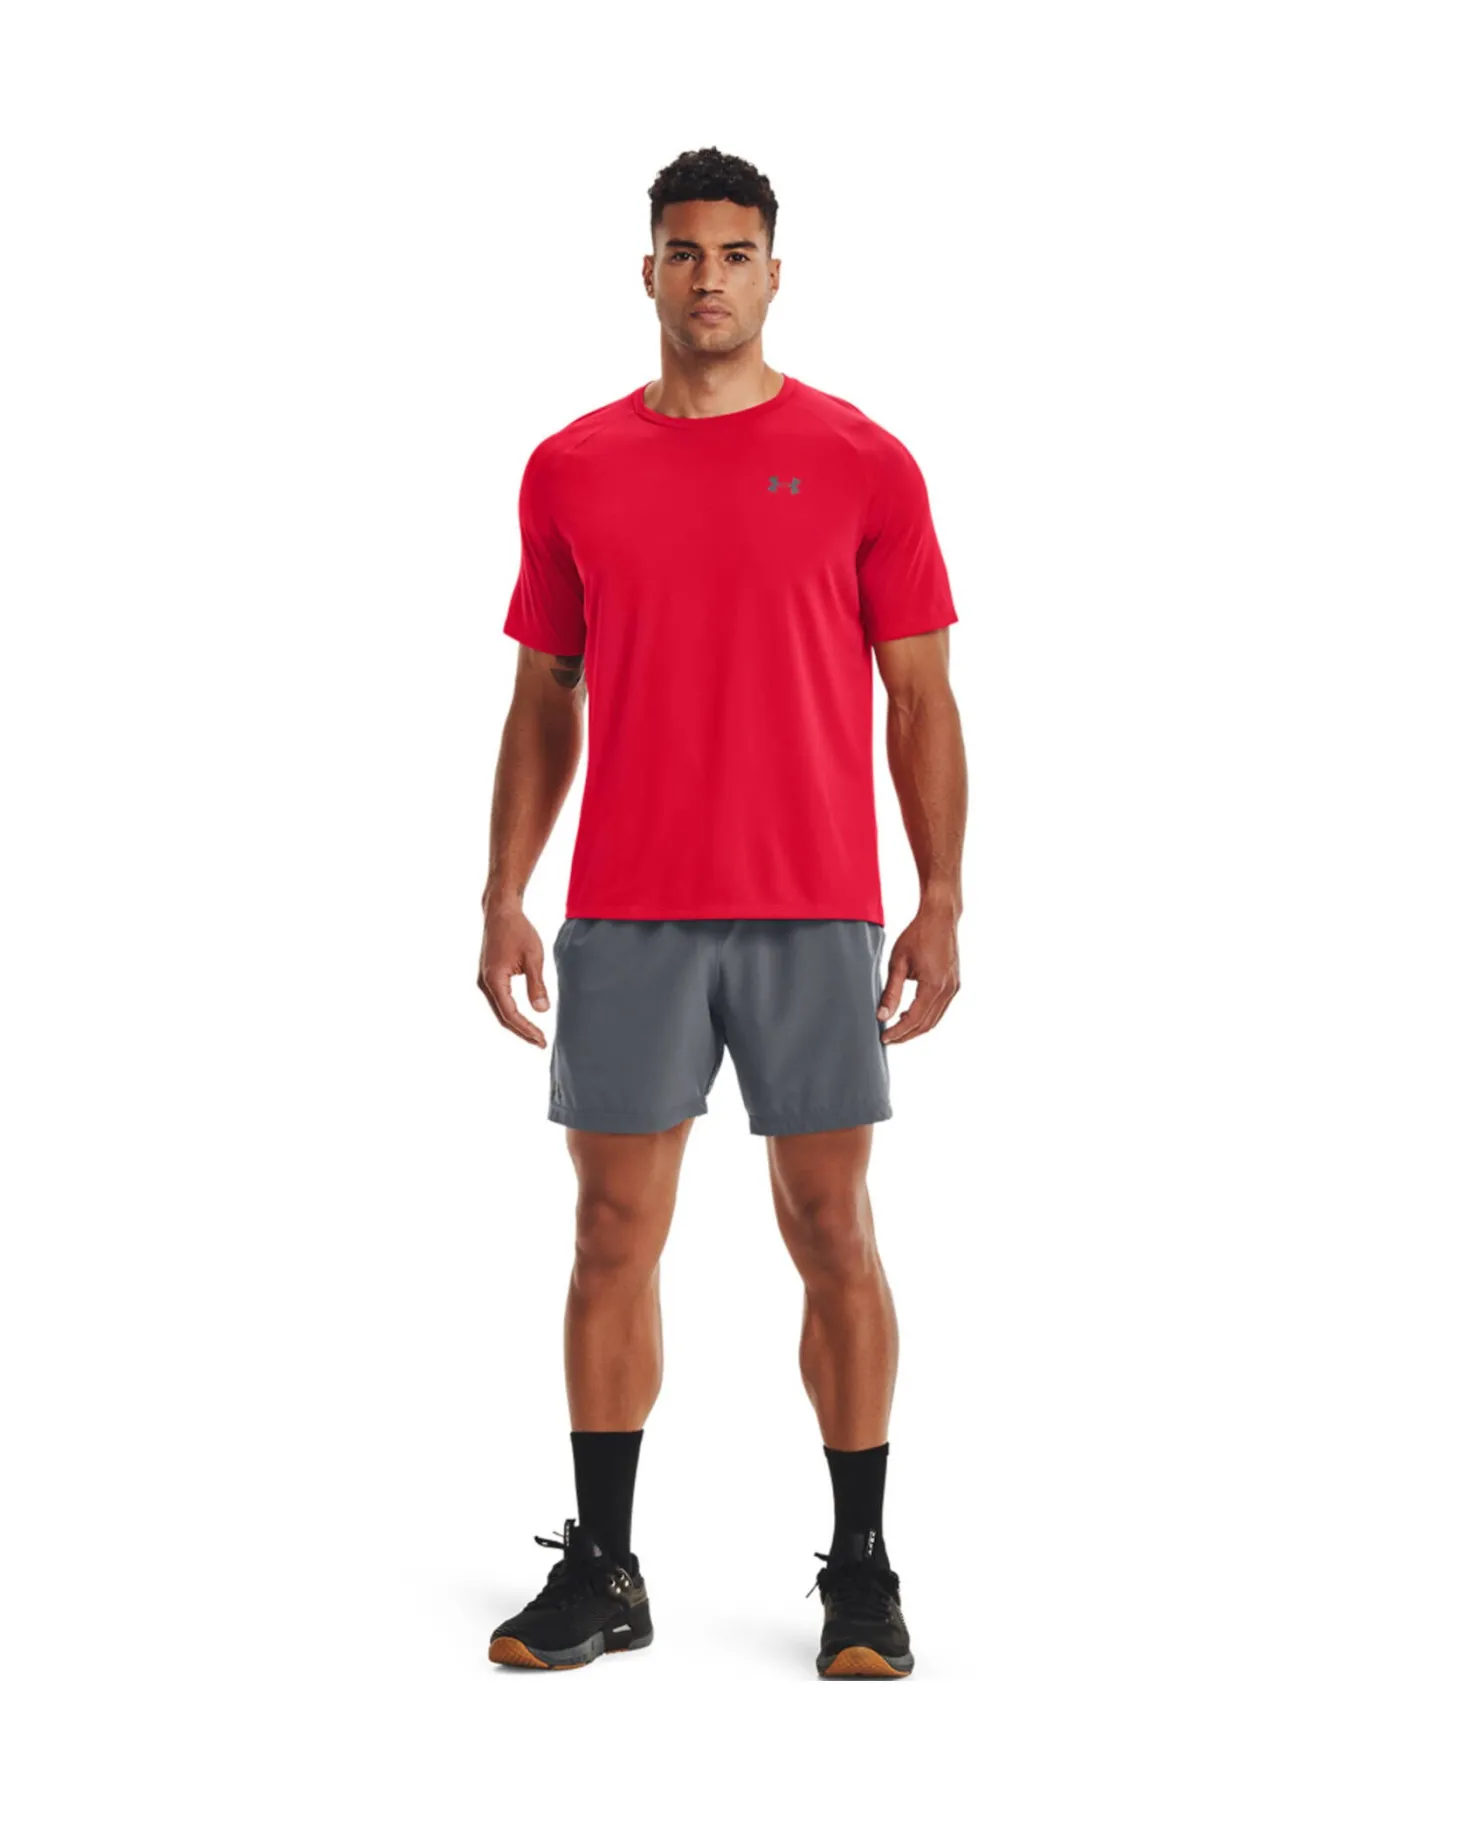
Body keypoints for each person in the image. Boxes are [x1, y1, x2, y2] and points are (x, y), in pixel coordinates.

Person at [477, 147, 967, 1678]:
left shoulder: (864, 461)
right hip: (627, 911)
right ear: (648, 271)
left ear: (774, 272)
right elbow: (542, 698)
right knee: (610, 1231)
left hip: (814, 908)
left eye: (735, 253)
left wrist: (941, 897)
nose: (709, 278)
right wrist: (503, 890)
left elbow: (922, 700)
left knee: (832, 1226)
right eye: (684, 252)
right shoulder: (570, 467)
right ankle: (605, 1569)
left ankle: (863, 1571)